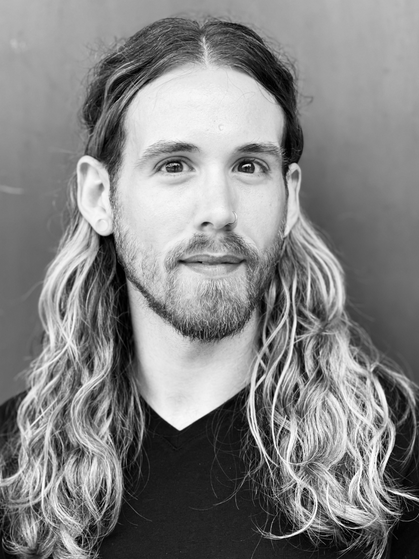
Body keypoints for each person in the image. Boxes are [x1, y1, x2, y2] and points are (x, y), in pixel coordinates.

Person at [0, 16, 418, 559]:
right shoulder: (14, 469)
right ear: (100, 196)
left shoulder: (395, 453)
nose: (219, 211)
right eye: (175, 165)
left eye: (249, 165)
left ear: (288, 199)